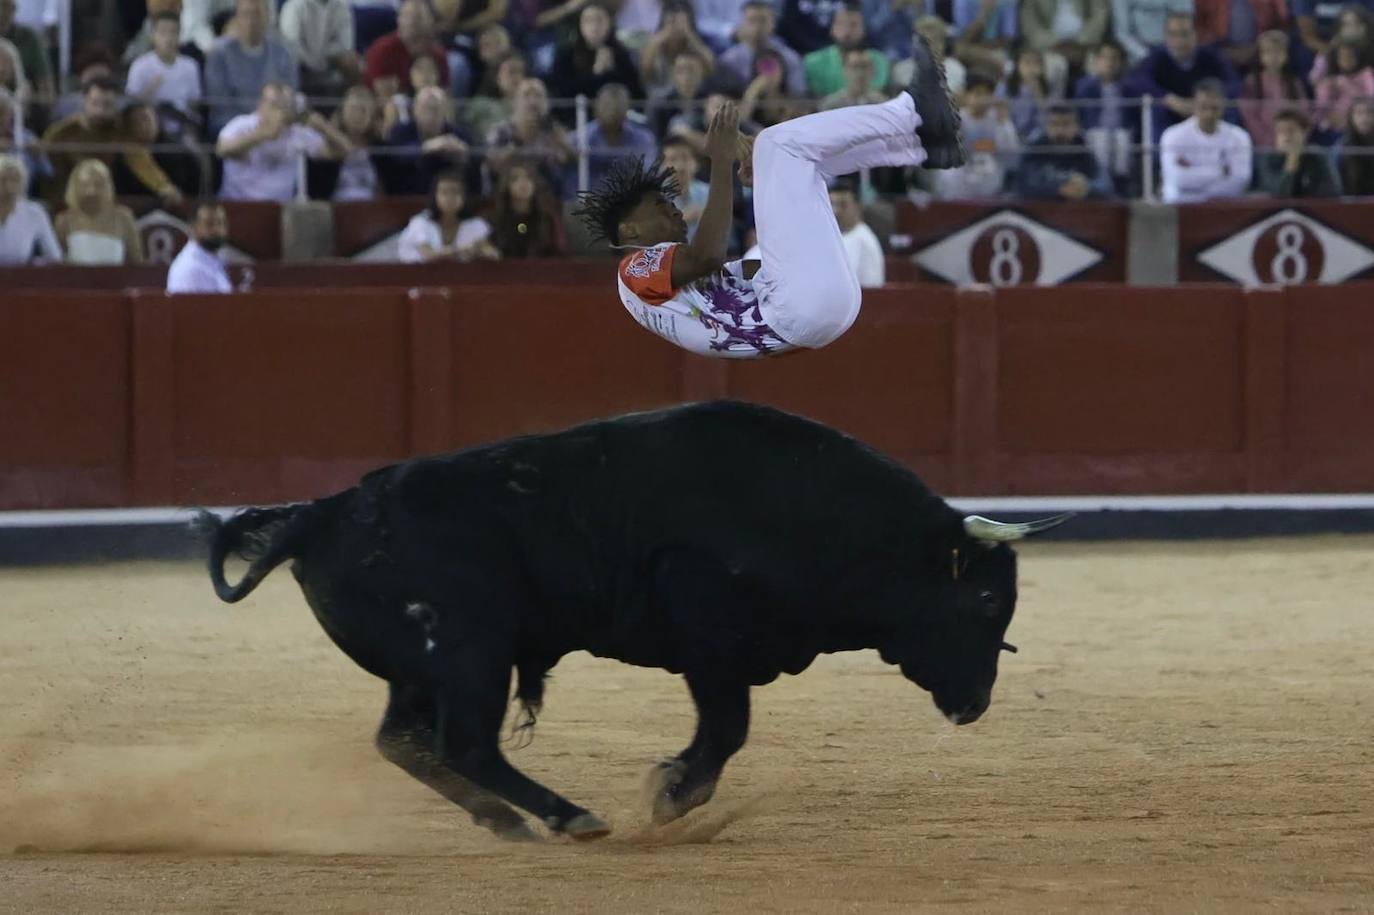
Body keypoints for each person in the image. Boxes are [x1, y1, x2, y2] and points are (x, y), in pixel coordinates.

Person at [573, 39, 962, 358]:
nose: (673, 207)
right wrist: (722, 161)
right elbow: (707, 254)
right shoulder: (633, 269)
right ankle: (910, 112)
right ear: (629, 228)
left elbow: (746, 272)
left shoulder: (681, 290)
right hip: (800, 309)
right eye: (659, 206)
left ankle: (923, 145)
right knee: (776, 144)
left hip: (817, 314)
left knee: (800, 165)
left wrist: (768, 187)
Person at [42, 76, 183, 208]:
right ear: (84, 101)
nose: (100, 111)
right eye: (95, 104)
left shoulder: (120, 129)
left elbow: (140, 160)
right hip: (67, 198)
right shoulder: (60, 133)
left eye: (107, 105)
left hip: (106, 198)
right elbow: (45, 167)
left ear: (116, 105)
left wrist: (163, 186)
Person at [216, 82, 352, 201]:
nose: (280, 111)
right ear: (260, 105)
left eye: (285, 105)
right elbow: (222, 149)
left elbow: (344, 151)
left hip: (280, 208)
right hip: (237, 203)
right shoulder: (242, 124)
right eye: (275, 105)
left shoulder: (298, 132)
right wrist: (262, 135)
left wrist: (324, 128)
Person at [1131, 12, 1239, 138]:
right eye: (1173, 34)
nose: (1180, 41)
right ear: (1166, 37)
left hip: (1208, 112)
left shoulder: (1210, 55)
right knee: (1154, 107)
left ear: (1196, 34)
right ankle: (1159, 155)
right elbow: (1137, 81)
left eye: (1185, 34)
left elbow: (1234, 83)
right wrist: (1168, 99)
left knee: (1229, 108)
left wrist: (1208, 101)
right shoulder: (1157, 56)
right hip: (1170, 112)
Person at [204, 0, 300, 136]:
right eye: (246, 14)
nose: (251, 21)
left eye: (257, 14)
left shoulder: (283, 53)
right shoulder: (219, 53)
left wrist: (271, 119)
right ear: (236, 18)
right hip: (230, 124)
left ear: (267, 17)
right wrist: (256, 123)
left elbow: (290, 92)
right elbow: (218, 101)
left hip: (275, 124)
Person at [1159, 78, 1253, 202]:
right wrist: (1220, 171)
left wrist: (1196, 185)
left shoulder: (1239, 137)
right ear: (1193, 105)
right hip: (1181, 206)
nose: (1209, 114)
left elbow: (1240, 181)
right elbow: (1177, 179)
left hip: (1220, 207)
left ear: (1223, 105)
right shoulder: (1172, 135)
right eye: (1204, 107)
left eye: (1214, 108)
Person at [383, 84, 481, 195]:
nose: (430, 115)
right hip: (407, 195)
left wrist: (464, 156)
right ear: (415, 110)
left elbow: (475, 159)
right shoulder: (400, 130)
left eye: (435, 110)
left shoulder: (458, 133)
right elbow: (396, 158)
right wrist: (428, 147)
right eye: (425, 109)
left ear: (445, 112)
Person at [934, 74, 1019, 199]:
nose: (982, 99)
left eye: (987, 94)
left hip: (990, 187)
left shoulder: (999, 120)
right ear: (966, 96)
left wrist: (1003, 122)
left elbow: (1012, 159)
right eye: (977, 94)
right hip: (959, 187)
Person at [485, 77, 574, 197]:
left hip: (546, 198)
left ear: (547, 104)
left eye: (538, 96)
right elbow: (492, 167)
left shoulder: (553, 133)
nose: (533, 102)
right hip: (505, 197)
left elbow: (568, 164)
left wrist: (563, 144)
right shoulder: (500, 131)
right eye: (526, 95)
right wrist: (519, 141)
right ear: (514, 102)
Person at [126, 12, 204, 140]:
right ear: (152, 36)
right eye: (163, 32)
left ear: (180, 36)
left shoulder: (191, 66)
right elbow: (130, 104)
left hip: (183, 127)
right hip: (151, 127)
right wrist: (148, 91)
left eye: (173, 32)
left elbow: (195, 102)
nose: (168, 38)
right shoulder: (139, 66)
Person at [549, 2, 643, 106]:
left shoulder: (619, 52)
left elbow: (636, 91)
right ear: (580, 25)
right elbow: (563, 93)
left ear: (609, 24)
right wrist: (596, 73)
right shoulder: (566, 54)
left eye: (600, 20)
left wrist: (611, 71)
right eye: (588, 21)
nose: (594, 27)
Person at [54, 159, 144, 265]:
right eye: (85, 185)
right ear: (75, 187)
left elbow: (137, 262)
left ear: (108, 186)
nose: (91, 191)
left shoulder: (123, 218)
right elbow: (56, 262)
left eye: (98, 185)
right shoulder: (64, 220)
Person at [397, 169, 499, 262]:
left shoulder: (475, 224)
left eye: (455, 192)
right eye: (444, 192)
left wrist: (482, 251)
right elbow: (429, 255)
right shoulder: (420, 223)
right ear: (434, 196)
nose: (450, 198)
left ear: (464, 197)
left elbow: (493, 254)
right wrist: (460, 250)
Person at [1016, 104, 1114, 199]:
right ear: (1046, 127)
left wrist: (1087, 188)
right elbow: (1022, 186)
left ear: (1077, 127)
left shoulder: (1084, 150)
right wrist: (1059, 189)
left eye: (1066, 124)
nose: (1060, 131)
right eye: (1054, 124)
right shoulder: (1035, 150)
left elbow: (1106, 186)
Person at [1075, 41, 1136, 192]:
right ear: (1097, 62)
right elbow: (1079, 114)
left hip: (1121, 132)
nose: (1109, 63)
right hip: (1095, 132)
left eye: (1114, 58)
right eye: (1104, 58)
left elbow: (1134, 116)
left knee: (1121, 139)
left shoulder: (1128, 86)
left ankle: (1120, 185)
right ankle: (1100, 183)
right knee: (1101, 139)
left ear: (1121, 62)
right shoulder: (1085, 85)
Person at [1240, 31, 1310, 151]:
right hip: (1263, 145)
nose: (1273, 57)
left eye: (1278, 52)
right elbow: (1249, 117)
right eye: (1268, 52)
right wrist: (1268, 141)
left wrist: (1294, 137)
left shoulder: (1294, 82)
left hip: (1292, 142)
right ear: (1260, 55)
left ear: (1286, 55)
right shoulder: (1252, 82)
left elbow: (1304, 112)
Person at [718, 1, 806, 97]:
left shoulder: (790, 58)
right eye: (751, 21)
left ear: (773, 24)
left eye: (762, 20)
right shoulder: (729, 61)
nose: (757, 27)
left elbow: (798, 96)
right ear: (741, 24)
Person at [582, 82, 658, 189]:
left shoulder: (643, 138)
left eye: (618, 104)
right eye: (607, 104)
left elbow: (648, 170)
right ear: (596, 106)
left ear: (628, 107)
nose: (612, 110)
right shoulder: (582, 135)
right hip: (589, 199)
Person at [804, 5, 890, 99]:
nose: (847, 31)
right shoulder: (812, 62)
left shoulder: (879, 60)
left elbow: (874, 92)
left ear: (864, 30)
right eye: (841, 24)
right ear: (832, 29)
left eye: (854, 25)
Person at [482, 159, 565, 256]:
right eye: (515, 179)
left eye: (528, 178)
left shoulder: (547, 216)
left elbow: (560, 251)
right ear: (506, 186)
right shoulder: (494, 217)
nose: (523, 183)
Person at [364, 0, 449, 93]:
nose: (413, 23)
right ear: (398, 21)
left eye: (419, 18)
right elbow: (382, 96)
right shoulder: (382, 50)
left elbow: (445, 95)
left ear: (430, 23)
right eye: (408, 17)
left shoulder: (437, 55)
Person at [1255, 107, 1343, 196]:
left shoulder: (1317, 156)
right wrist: (1291, 164)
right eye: (1280, 131)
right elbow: (1279, 194)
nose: (1286, 136)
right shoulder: (1267, 159)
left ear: (1305, 132)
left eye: (1291, 130)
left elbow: (1334, 191)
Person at [279, 0, 361, 94]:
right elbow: (291, 47)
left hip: (329, 64)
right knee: (289, 61)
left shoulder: (342, 6)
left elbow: (346, 46)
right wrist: (314, 62)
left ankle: (351, 105)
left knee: (351, 61)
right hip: (301, 67)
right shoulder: (294, 6)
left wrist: (325, 59)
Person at [637, 0, 716, 93]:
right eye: (671, 22)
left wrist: (688, 32)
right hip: (660, 101)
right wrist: (666, 32)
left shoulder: (695, 45)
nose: (676, 27)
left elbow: (711, 67)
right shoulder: (655, 46)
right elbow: (645, 68)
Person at [0, 152, 60, 264]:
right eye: (3, 180)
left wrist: (33, 265)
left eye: (15, 180)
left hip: (19, 277)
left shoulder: (35, 213)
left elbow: (55, 256)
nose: (9, 187)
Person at [1194, 0, 1288, 71]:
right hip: (1220, 56)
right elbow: (1197, 25)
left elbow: (1282, 23)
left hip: (1261, 57)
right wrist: (1221, 50)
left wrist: (1260, 47)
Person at [1019, 0, 1110, 73]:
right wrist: (1055, 44)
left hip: (1086, 45)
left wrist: (1081, 43)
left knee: (1100, 67)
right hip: (1050, 47)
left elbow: (1100, 14)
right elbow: (1031, 25)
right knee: (1055, 67)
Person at [167, 199, 234, 292]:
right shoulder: (188, 268)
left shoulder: (215, 259)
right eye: (209, 224)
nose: (217, 229)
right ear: (193, 226)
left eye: (221, 223)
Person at [892, 16, 966, 96]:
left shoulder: (955, 69)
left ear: (943, 45)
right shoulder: (901, 70)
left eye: (934, 41)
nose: (928, 46)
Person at [463, 51, 527, 142]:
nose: (518, 77)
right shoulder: (480, 105)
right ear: (496, 77)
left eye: (521, 72)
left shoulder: (529, 107)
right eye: (511, 72)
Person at [828, 181, 883, 287]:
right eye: (832, 204)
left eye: (843, 205)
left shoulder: (863, 238)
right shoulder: (836, 237)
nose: (836, 211)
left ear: (857, 207)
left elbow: (844, 281)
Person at [1313, 37, 1374, 132]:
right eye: (1342, 57)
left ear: (1358, 57)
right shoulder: (1330, 79)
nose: (1346, 60)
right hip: (1333, 123)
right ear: (1336, 58)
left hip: (1359, 122)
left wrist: (1346, 83)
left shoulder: (1366, 74)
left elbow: (1370, 96)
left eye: (1350, 56)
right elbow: (1321, 103)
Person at [998, 45, 1053, 139]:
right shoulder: (1005, 86)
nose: (1032, 68)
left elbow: (1047, 119)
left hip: (1036, 136)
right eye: (1027, 63)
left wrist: (1038, 92)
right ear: (1017, 65)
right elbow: (1001, 114)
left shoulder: (1046, 88)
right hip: (1011, 134)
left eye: (1036, 63)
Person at [0, 0, 51, 101]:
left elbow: (47, 93)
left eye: (5, 6)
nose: (1, 12)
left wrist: (30, 99)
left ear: (14, 9)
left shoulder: (29, 38)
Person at [1114, 0, 1193, 65]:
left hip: (1175, 53)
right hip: (1138, 57)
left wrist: (1172, 53)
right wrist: (1146, 56)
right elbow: (1122, 32)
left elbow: (1185, 24)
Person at [660, 135, 709, 237]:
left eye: (685, 158)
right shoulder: (654, 198)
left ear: (696, 164)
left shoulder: (710, 193)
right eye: (673, 160)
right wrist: (685, 218)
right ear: (662, 166)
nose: (680, 166)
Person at [821, 48, 888, 111]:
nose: (860, 73)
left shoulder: (883, 104)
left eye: (864, 67)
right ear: (844, 70)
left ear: (873, 70)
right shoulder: (831, 105)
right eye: (854, 67)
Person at [1336, 96, 1374, 193]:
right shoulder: (1340, 148)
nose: (1364, 118)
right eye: (1359, 113)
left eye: (1369, 113)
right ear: (1351, 117)